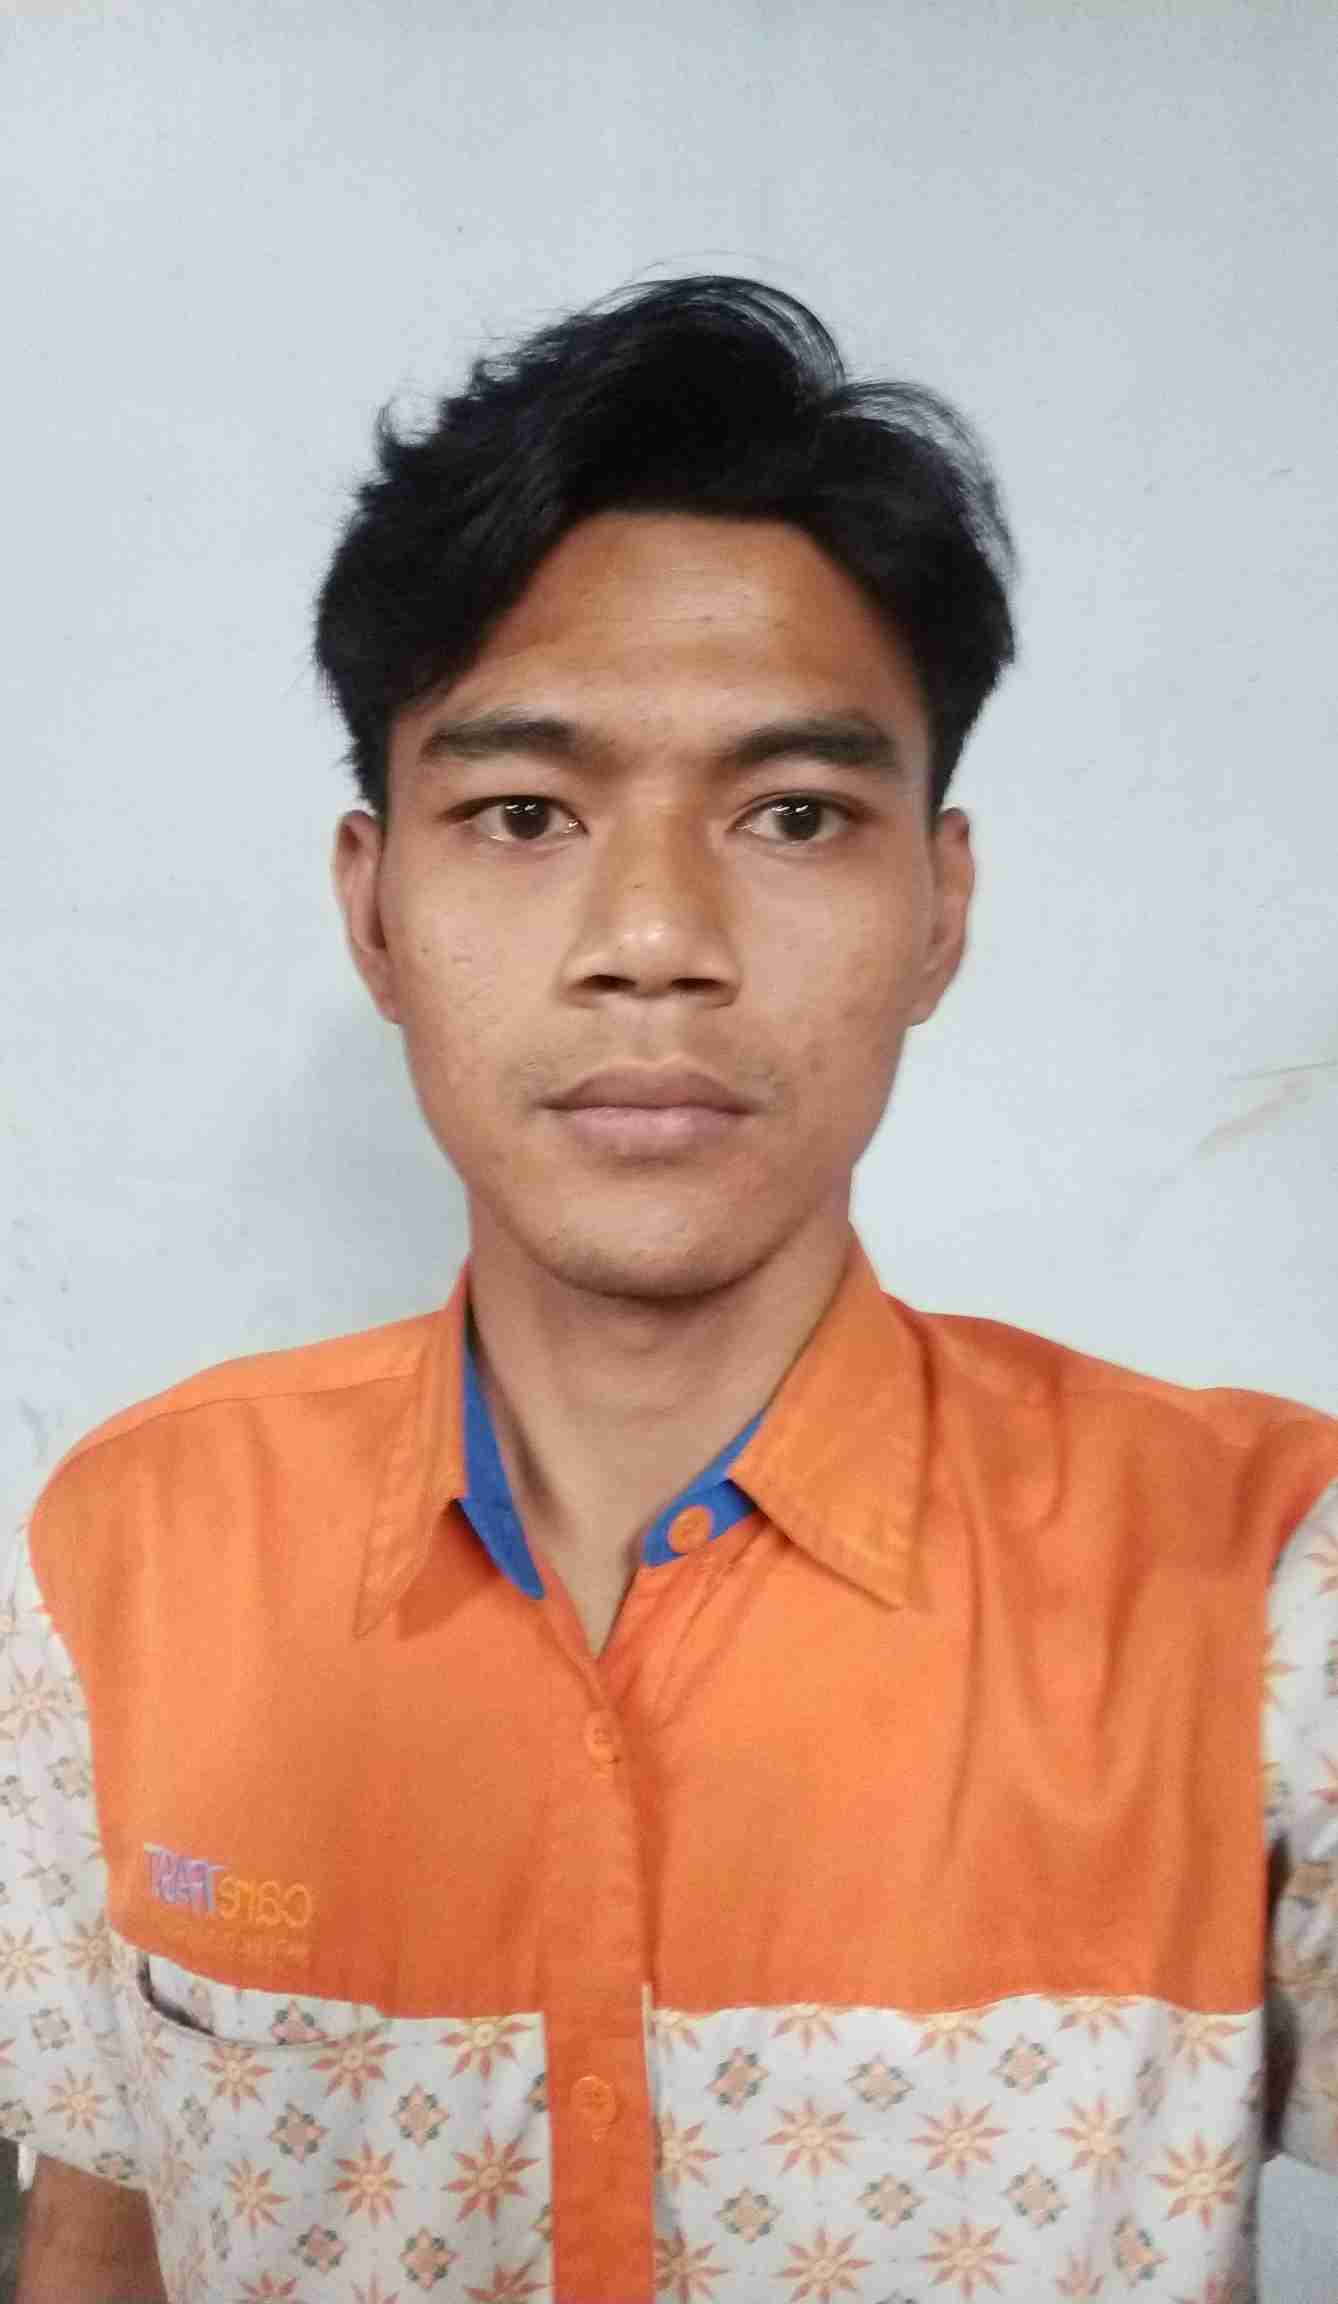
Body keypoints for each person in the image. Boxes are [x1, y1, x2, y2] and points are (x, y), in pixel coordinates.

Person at [2, 274, 1334, 2304]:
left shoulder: (1263, 1581)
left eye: (790, 815)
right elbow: (99, 2240)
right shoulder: (127, 1551)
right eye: (522, 814)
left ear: (938, 908)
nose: (652, 938)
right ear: (374, 908)